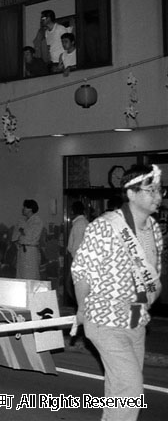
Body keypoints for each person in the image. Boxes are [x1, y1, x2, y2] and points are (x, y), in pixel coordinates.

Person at [72, 165, 164, 421]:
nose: (158, 196)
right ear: (131, 193)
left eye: (160, 190)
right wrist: (81, 309)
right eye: (151, 190)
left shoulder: (155, 229)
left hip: (136, 318)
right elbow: (82, 272)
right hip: (104, 318)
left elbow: (154, 275)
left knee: (119, 390)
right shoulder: (104, 227)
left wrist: (148, 299)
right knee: (130, 387)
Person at [11, 199, 43, 279]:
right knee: (21, 274)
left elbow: (29, 236)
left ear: (30, 209)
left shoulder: (37, 221)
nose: (23, 209)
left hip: (30, 250)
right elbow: (14, 237)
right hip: (21, 249)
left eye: (25, 207)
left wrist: (22, 229)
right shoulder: (22, 221)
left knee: (30, 274)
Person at [65, 200, 89, 303]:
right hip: (81, 260)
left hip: (78, 260)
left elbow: (77, 246)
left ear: (73, 211)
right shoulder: (82, 222)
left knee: (72, 287)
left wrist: (73, 260)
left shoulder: (79, 224)